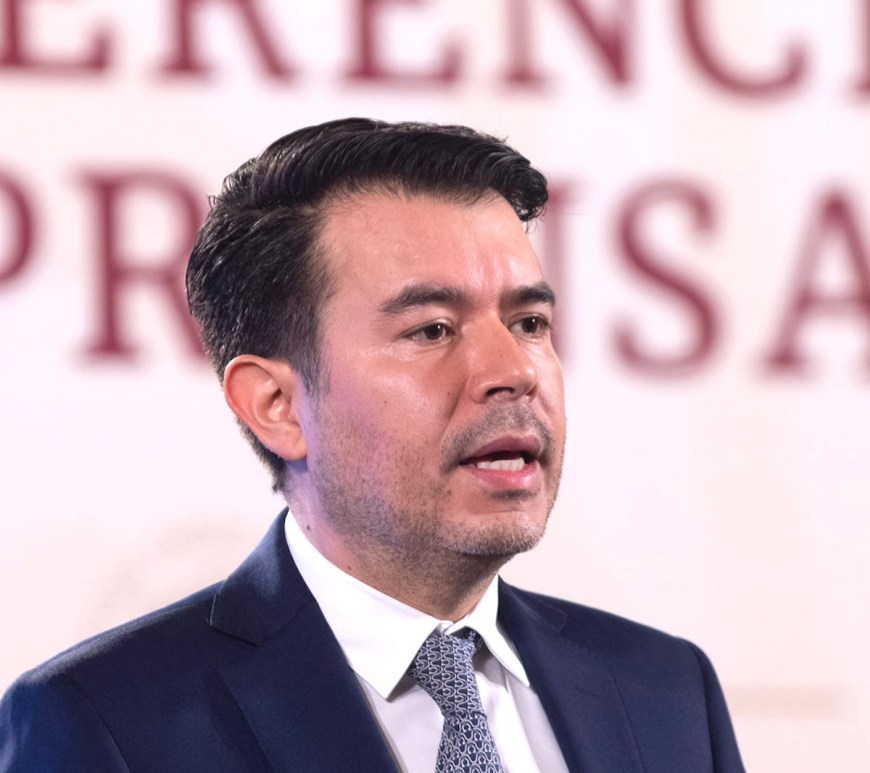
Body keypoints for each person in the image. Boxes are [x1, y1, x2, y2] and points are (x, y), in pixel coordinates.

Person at [0, 118, 745, 772]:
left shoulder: (666, 691)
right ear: (276, 405)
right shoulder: (109, 722)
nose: (514, 372)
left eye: (529, 323)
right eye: (432, 330)